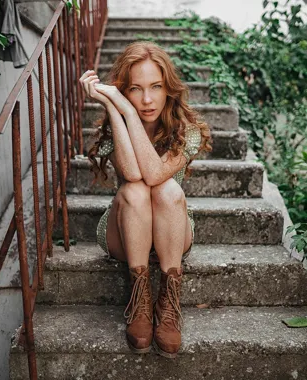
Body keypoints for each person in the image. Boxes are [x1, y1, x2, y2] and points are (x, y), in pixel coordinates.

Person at [78, 41, 211, 358]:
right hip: (126, 231)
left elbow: (153, 173)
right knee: (134, 189)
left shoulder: (186, 130)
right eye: (135, 90)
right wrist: (116, 109)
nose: (147, 99)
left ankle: (168, 299)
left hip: (172, 231)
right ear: (124, 90)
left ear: (169, 89)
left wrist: (123, 107)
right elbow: (131, 172)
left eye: (156, 86)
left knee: (166, 188)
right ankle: (140, 301)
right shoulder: (116, 124)